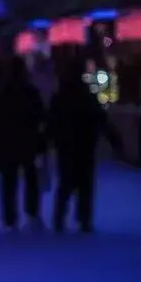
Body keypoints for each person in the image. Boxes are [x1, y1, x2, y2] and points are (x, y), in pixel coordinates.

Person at [47, 57, 121, 232]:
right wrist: (113, 138)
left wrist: (47, 140)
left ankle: (59, 217)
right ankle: (84, 218)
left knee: (66, 183)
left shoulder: (60, 97)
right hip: (85, 144)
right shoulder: (87, 96)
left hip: (65, 145)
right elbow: (101, 119)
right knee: (85, 184)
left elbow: (52, 121)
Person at [0, 56, 46, 229]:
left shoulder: (0, 93)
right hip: (28, 140)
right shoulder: (30, 91)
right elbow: (40, 115)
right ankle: (32, 212)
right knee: (31, 178)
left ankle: (9, 216)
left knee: (8, 180)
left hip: (6, 142)